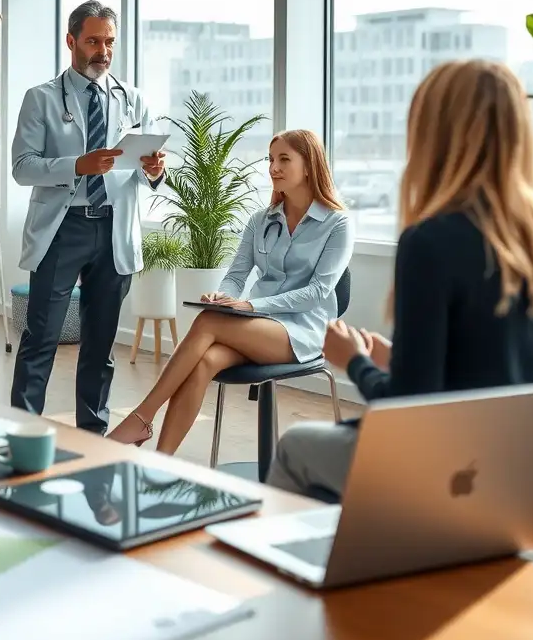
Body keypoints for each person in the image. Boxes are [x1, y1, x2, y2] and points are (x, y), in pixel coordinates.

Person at [267, 60, 533, 501]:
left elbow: (407, 410)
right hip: (527, 470)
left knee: (297, 447)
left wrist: (354, 360)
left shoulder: (430, 242)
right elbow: (497, 372)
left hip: (451, 465)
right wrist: (400, 358)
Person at [109, 130, 352, 453]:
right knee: (206, 360)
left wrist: (250, 306)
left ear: (309, 166)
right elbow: (236, 275)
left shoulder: (337, 223)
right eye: (270, 159)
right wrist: (222, 296)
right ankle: (160, 463)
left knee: (210, 322)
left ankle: (142, 416)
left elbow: (318, 292)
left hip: (305, 330)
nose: (273, 168)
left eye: (284, 159)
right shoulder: (261, 220)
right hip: (260, 327)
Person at [10, 0, 167, 434]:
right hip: (63, 229)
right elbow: (22, 167)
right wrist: (77, 165)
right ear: (71, 41)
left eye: (109, 41)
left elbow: (147, 165)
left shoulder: (134, 99)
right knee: (41, 338)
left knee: (101, 345)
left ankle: (93, 433)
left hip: (114, 229)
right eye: (94, 40)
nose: (103, 50)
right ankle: (23, 431)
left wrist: (155, 171)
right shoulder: (41, 98)